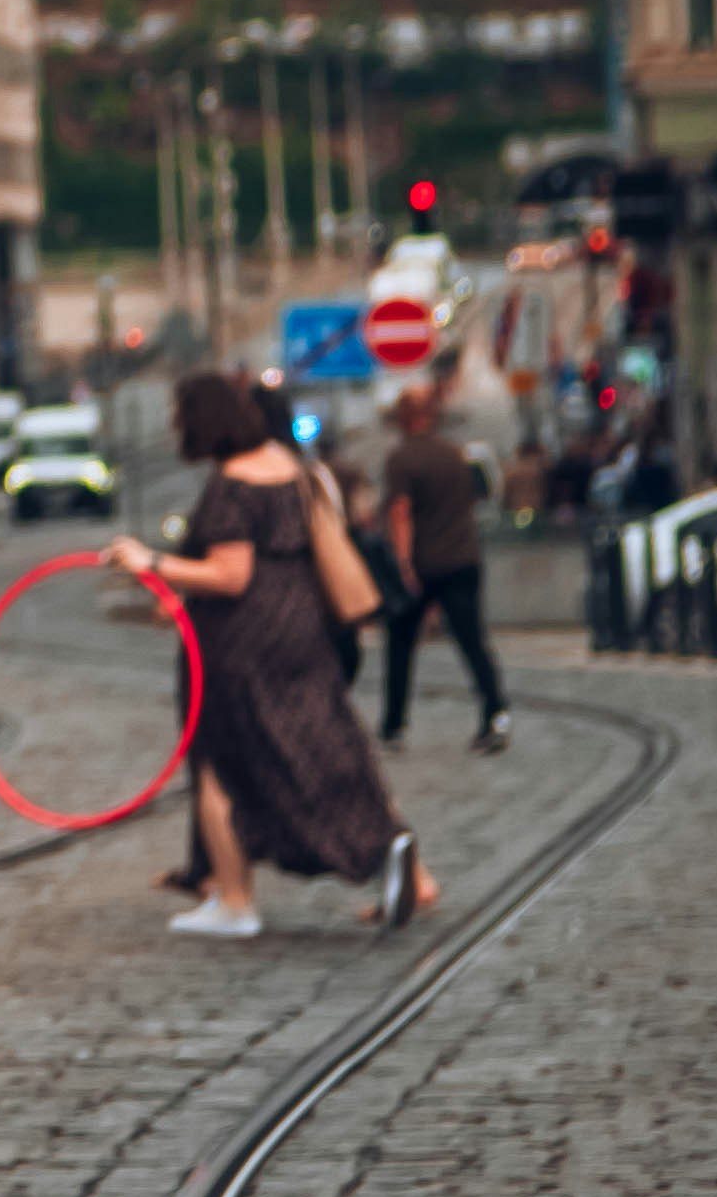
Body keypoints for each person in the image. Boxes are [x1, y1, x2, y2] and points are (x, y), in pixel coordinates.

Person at [113, 369, 425, 941]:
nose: (177, 430)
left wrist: (149, 563)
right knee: (323, 744)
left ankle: (235, 902)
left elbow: (233, 576)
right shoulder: (288, 468)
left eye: (181, 420)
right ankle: (388, 847)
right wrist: (183, 593)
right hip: (300, 629)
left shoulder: (233, 483)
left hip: (241, 643)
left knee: (219, 767)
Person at [379, 381, 508, 750]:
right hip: (463, 558)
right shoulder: (454, 455)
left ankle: (394, 725)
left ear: (404, 420)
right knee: (472, 641)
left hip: (423, 563)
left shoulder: (401, 458)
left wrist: (402, 564)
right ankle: (495, 712)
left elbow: (401, 513)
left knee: (401, 644)